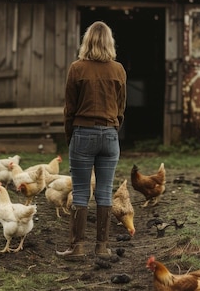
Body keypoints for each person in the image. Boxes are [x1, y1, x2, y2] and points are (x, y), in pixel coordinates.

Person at [56, 21, 127, 259]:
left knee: (80, 191)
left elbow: (70, 108)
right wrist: (112, 130)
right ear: (110, 43)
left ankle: (77, 247)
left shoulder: (77, 68)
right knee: (105, 192)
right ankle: (103, 247)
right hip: (109, 135)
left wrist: (70, 136)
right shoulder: (118, 70)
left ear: (87, 41)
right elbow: (121, 108)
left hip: (83, 133)